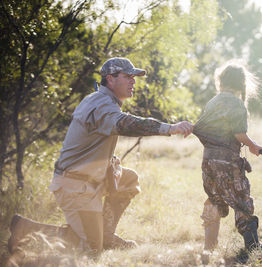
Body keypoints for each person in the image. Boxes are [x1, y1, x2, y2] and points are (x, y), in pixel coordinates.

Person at [8, 57, 193, 255]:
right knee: (91, 250)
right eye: (128, 76)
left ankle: (106, 235)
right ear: (110, 79)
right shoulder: (100, 103)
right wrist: (169, 128)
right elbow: (124, 124)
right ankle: (25, 229)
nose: (133, 81)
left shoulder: (105, 101)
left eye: (134, 77)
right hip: (76, 186)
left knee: (128, 179)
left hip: (88, 181)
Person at [193, 60, 262, 256]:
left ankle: (209, 249)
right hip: (228, 162)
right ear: (241, 82)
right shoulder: (236, 103)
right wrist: (253, 146)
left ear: (221, 81)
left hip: (208, 161)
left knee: (214, 198)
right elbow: (239, 133)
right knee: (241, 199)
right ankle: (252, 246)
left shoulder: (213, 102)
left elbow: (199, 129)